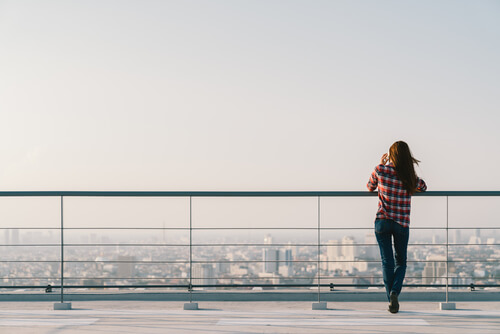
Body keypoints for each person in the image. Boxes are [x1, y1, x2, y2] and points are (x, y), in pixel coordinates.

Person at [367, 141, 427, 313]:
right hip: (402, 223)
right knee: (401, 261)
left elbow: (370, 186)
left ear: (391, 155)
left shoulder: (381, 170)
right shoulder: (409, 176)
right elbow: (423, 186)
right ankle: (394, 293)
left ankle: (390, 300)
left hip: (382, 221)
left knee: (387, 262)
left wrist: (382, 164)